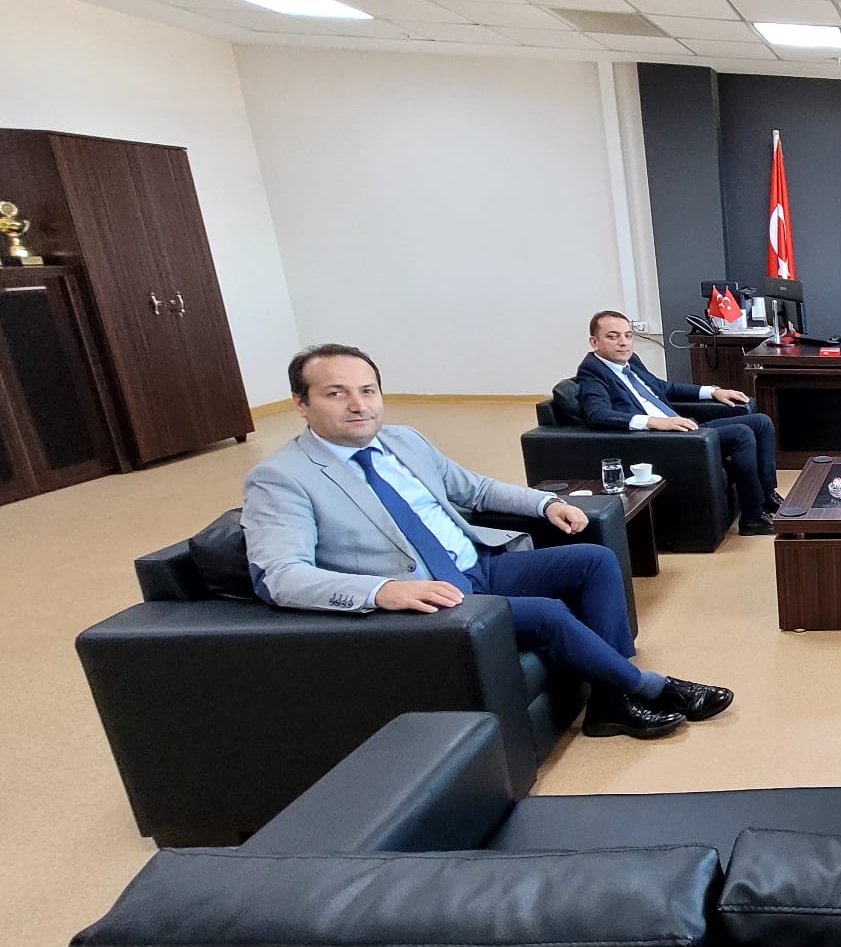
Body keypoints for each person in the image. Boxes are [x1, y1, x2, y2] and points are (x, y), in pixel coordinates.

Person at [243, 344, 735, 741]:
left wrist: (545, 504)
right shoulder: (282, 478)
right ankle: (650, 688)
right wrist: (382, 591)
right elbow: (280, 576)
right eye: (336, 394)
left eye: (367, 390)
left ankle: (609, 699)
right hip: (430, 596)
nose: (358, 405)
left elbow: (475, 489)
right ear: (301, 403)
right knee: (548, 614)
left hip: (478, 565)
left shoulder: (403, 441)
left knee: (594, 559)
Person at [574, 310, 783, 537]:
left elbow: (665, 388)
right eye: (613, 336)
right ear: (594, 342)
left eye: (628, 335)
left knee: (761, 422)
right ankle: (752, 518)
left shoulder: (631, 362)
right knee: (741, 433)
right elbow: (598, 414)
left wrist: (713, 391)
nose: (623, 342)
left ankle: (767, 495)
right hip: (665, 439)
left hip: (684, 428)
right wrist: (654, 422)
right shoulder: (592, 371)